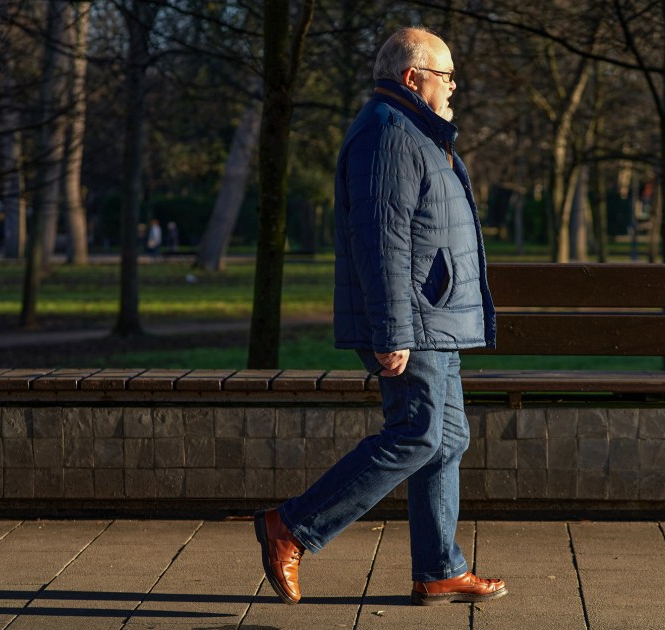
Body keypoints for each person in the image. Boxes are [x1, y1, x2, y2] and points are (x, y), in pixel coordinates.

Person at [254, 26, 506, 607]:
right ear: (412, 78)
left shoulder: (415, 131)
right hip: (414, 321)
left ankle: (440, 569)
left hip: (432, 317)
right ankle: (292, 527)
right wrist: (392, 331)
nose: (453, 89)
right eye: (446, 76)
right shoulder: (389, 134)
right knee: (417, 434)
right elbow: (381, 241)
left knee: (447, 439)